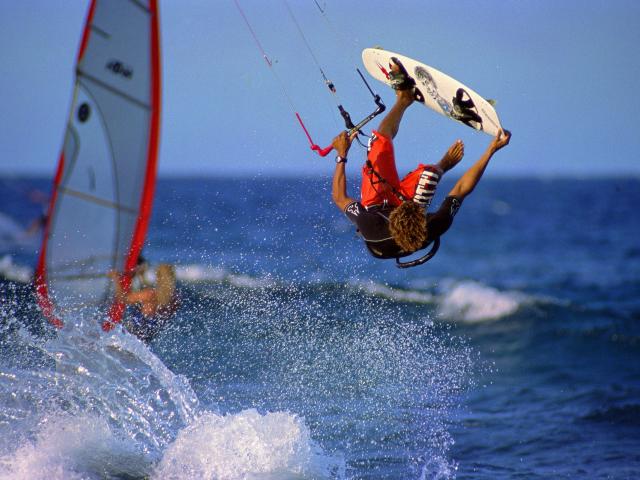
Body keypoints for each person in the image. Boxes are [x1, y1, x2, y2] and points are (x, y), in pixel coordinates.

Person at [330, 59, 511, 264]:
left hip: (375, 205)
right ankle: (441, 166)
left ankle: (404, 98)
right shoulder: (435, 224)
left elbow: (339, 197)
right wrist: (491, 150)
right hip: (407, 223)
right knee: (430, 175)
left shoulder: (370, 224)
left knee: (380, 143)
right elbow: (461, 190)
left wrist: (341, 154)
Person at [108, 262, 179, 342]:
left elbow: (122, 298)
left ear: (158, 277)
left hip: (137, 328)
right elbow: (151, 299)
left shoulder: (150, 294)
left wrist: (115, 278)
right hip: (151, 332)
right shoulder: (174, 298)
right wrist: (141, 277)